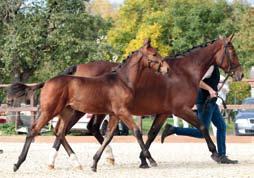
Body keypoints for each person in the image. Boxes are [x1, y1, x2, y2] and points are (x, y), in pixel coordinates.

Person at [161, 65, 238, 164]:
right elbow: (198, 81)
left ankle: (222, 155)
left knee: (221, 126)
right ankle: (173, 129)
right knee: (202, 132)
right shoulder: (210, 67)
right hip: (205, 102)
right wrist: (210, 90)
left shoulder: (214, 67)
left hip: (211, 101)